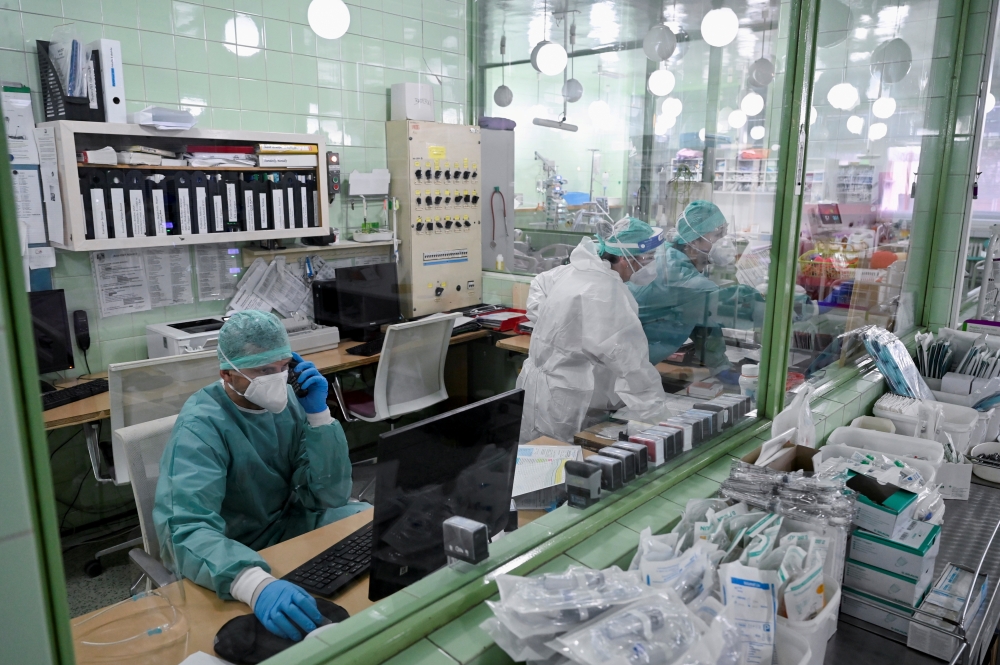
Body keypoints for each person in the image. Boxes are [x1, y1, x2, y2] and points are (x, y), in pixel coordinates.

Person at [154, 310, 369, 641]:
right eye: (264, 370)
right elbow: (185, 529)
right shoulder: (201, 427)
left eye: (284, 367)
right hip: (233, 549)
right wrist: (254, 585)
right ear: (227, 374)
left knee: (373, 528)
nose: (278, 379)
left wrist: (320, 417)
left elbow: (328, 496)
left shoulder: (289, 404)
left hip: (290, 524)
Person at [517, 218, 668, 444]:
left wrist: (557, 324)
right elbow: (632, 367)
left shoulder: (578, 270)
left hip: (539, 386)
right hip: (567, 397)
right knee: (559, 462)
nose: (652, 265)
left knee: (537, 455)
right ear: (626, 260)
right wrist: (661, 421)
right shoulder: (606, 292)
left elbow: (540, 282)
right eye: (649, 258)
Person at [628, 200, 735, 368]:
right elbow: (732, 307)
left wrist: (720, 367)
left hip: (637, 361)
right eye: (717, 234)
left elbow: (703, 321)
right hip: (622, 363)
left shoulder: (674, 256)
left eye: (725, 232)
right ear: (693, 241)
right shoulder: (675, 274)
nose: (724, 241)